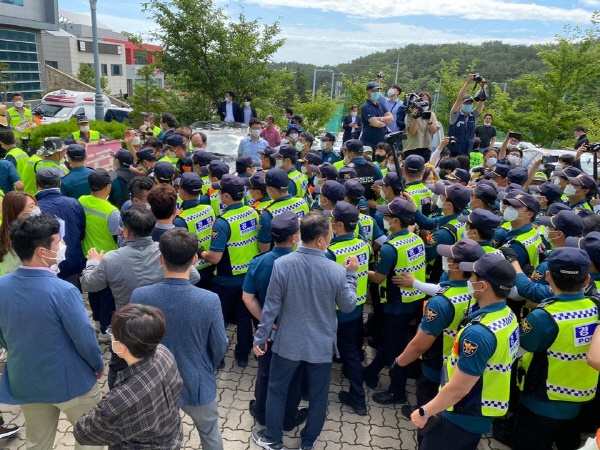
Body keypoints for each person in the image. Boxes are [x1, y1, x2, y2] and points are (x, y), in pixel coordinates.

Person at [252, 212, 359, 450]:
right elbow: (348, 305)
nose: (331, 237)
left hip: (287, 342)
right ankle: (308, 443)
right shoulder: (336, 270)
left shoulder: (282, 264)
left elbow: (270, 308)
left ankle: (273, 438)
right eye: (329, 234)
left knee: (277, 390)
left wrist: (260, 338)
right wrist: (351, 275)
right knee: (318, 397)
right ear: (320, 240)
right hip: (321, 346)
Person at [0, 214, 103, 450]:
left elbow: (3, 336)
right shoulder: (63, 290)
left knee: (37, 442)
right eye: (58, 242)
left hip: (25, 380)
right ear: (42, 252)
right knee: (90, 440)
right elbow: (84, 338)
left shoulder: (1, 287)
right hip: (71, 382)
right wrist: (98, 365)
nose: (63, 246)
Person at [82, 204, 200, 386]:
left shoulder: (111, 259)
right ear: (152, 229)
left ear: (126, 232)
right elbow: (193, 276)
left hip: (125, 326)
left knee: (119, 367)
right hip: (161, 322)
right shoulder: (165, 252)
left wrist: (92, 262)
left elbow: (89, 284)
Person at [131, 228, 228, 450]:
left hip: (153, 384)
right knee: (210, 433)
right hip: (197, 381)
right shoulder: (209, 300)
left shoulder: (140, 296)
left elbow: (134, 342)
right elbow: (219, 344)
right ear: (195, 259)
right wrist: (207, 365)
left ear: (160, 258)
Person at [494, 248, 599, 450]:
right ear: (586, 280)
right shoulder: (595, 308)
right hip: (579, 399)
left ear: (549, 277)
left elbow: (518, 351)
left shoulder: (544, 317)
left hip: (541, 401)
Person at [411, 253, 519, 450]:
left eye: (473, 277)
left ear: (483, 286)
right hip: (480, 410)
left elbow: (459, 389)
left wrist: (424, 412)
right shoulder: (507, 314)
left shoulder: (478, 333)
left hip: (461, 413)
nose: (469, 280)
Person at [388, 239, 484, 418]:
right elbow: (441, 288)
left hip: (436, 362)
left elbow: (420, 344)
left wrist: (399, 363)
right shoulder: (479, 291)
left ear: (457, 266)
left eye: (449, 257)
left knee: (427, 401)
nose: (445, 259)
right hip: (459, 363)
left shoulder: (441, 303)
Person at [74, 304, 183, 449]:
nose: (111, 335)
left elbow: (83, 433)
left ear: (120, 346)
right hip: (171, 438)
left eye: (112, 332)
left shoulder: (121, 400)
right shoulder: (163, 352)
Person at [242, 212, 308, 432]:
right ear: (294, 238)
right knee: (294, 375)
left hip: (269, 332)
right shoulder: (306, 262)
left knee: (266, 372)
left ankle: (261, 413)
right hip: (297, 332)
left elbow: (247, 297)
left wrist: (267, 322)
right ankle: (289, 419)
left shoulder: (259, 262)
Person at [364, 198, 427, 392]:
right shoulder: (416, 238)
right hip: (414, 301)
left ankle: (396, 389)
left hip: (395, 304)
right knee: (389, 340)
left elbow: (378, 278)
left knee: (394, 349)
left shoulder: (390, 249)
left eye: (388, 216)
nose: (384, 218)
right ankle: (371, 372)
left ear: (397, 221)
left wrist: (361, 270)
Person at [199, 174, 260, 368]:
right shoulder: (253, 212)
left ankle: (218, 358)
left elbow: (215, 258)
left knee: (219, 321)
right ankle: (242, 355)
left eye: (219, 193)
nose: (217, 195)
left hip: (225, 280)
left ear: (225, 197)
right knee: (243, 318)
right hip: (248, 277)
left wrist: (199, 250)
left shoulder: (222, 222)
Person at [326, 202, 371, 415]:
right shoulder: (363, 244)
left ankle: (313, 391)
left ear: (340, 224)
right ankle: (358, 397)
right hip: (356, 307)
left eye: (333, 219)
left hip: (335, 312)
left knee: (325, 352)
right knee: (351, 351)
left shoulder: (331, 252)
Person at [79, 168, 120, 343]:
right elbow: (117, 238)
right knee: (106, 296)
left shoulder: (81, 201)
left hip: (89, 255)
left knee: (93, 291)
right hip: (107, 258)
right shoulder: (112, 212)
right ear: (107, 187)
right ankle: (104, 330)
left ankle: (96, 322)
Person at [35, 168, 86, 285]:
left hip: (48, 264)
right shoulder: (73, 203)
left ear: (37, 184)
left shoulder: (35, 208)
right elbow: (81, 233)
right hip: (73, 261)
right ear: (59, 183)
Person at [173, 172, 216, 288]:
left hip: (194, 270)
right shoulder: (209, 208)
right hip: (211, 264)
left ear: (181, 191)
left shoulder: (180, 220)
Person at [257, 168, 309, 253]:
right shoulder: (303, 202)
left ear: (271, 189)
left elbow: (264, 249)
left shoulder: (267, 215)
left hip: (283, 261)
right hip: (304, 254)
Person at [0, 191, 38, 275]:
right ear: (20, 214)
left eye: (35, 204)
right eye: (32, 206)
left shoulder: (5, 232)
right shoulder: (25, 237)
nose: (36, 208)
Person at [448, 74, 487, 156]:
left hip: (467, 153)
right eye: (466, 102)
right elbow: (458, 99)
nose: (468, 104)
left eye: (470, 103)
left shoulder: (473, 116)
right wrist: (467, 83)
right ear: (461, 104)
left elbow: (481, 101)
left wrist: (483, 87)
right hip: (453, 152)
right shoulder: (455, 114)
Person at [403, 92, 439, 161]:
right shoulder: (409, 115)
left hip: (426, 147)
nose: (425, 103)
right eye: (422, 100)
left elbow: (434, 131)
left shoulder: (431, 115)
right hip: (411, 148)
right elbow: (412, 132)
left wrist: (429, 121)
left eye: (427, 101)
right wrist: (415, 118)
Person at [359, 82, 394, 149]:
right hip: (369, 142)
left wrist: (380, 119)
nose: (376, 92)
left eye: (377, 91)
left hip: (381, 142)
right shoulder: (366, 107)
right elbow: (375, 123)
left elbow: (391, 118)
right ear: (367, 91)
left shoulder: (380, 105)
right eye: (373, 91)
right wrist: (385, 122)